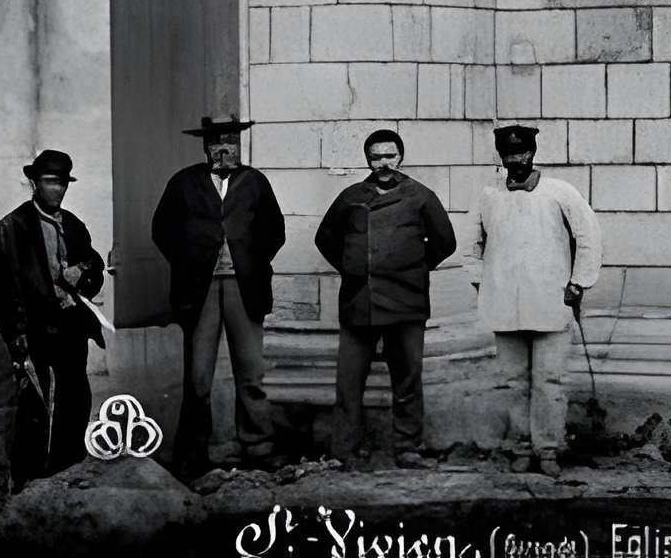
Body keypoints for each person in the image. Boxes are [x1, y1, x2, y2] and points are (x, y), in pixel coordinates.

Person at [312, 128, 457, 469]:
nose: (383, 163)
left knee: (407, 378)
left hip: (406, 303)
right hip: (358, 302)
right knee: (348, 382)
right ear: (368, 160)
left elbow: (445, 242)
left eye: (389, 156)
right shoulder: (351, 197)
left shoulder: (420, 196)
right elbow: (325, 238)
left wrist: (413, 270)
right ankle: (345, 450)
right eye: (376, 157)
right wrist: (353, 268)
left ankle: (407, 447)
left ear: (400, 157)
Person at [151, 115, 285, 480]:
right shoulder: (184, 182)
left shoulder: (256, 182)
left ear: (239, 146)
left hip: (244, 288)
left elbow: (275, 231)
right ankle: (195, 453)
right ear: (206, 147)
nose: (224, 149)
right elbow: (162, 230)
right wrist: (191, 261)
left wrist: (249, 261)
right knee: (198, 376)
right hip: (200, 290)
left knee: (251, 372)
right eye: (216, 143)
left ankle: (259, 447)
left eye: (231, 142)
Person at [468, 124, 601, 475]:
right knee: (513, 380)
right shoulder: (489, 196)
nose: (517, 160)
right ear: (501, 157)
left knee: (549, 379)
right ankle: (521, 446)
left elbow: (588, 236)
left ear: (533, 152)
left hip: (551, 301)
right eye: (510, 154)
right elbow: (472, 246)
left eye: (523, 152)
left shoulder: (560, 192)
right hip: (505, 306)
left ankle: (548, 450)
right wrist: (483, 284)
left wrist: (579, 282)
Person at [0, 150, 107, 487]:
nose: (57, 190)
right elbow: (3, 289)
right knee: (34, 404)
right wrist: (16, 338)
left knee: (75, 396)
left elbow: (95, 266)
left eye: (62, 184)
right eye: (50, 182)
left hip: (70, 324)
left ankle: (66, 471)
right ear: (34, 184)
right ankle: (27, 480)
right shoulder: (12, 228)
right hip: (34, 328)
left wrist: (81, 273)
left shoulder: (73, 225)